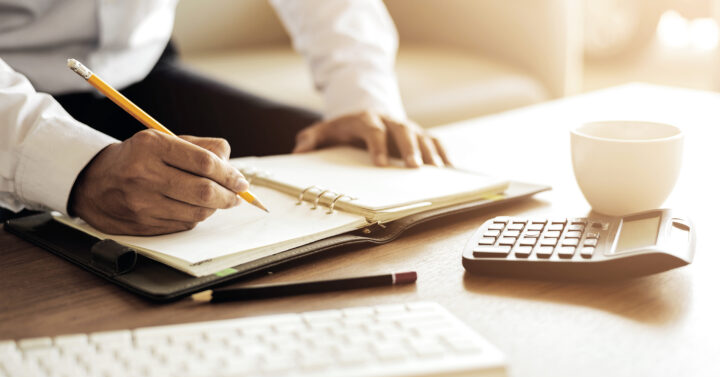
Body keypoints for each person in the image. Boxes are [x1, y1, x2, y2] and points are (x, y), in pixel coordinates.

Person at [0, 0, 449, 235]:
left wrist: (361, 95)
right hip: (12, 90)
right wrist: (74, 169)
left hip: (140, 69)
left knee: (339, 156)